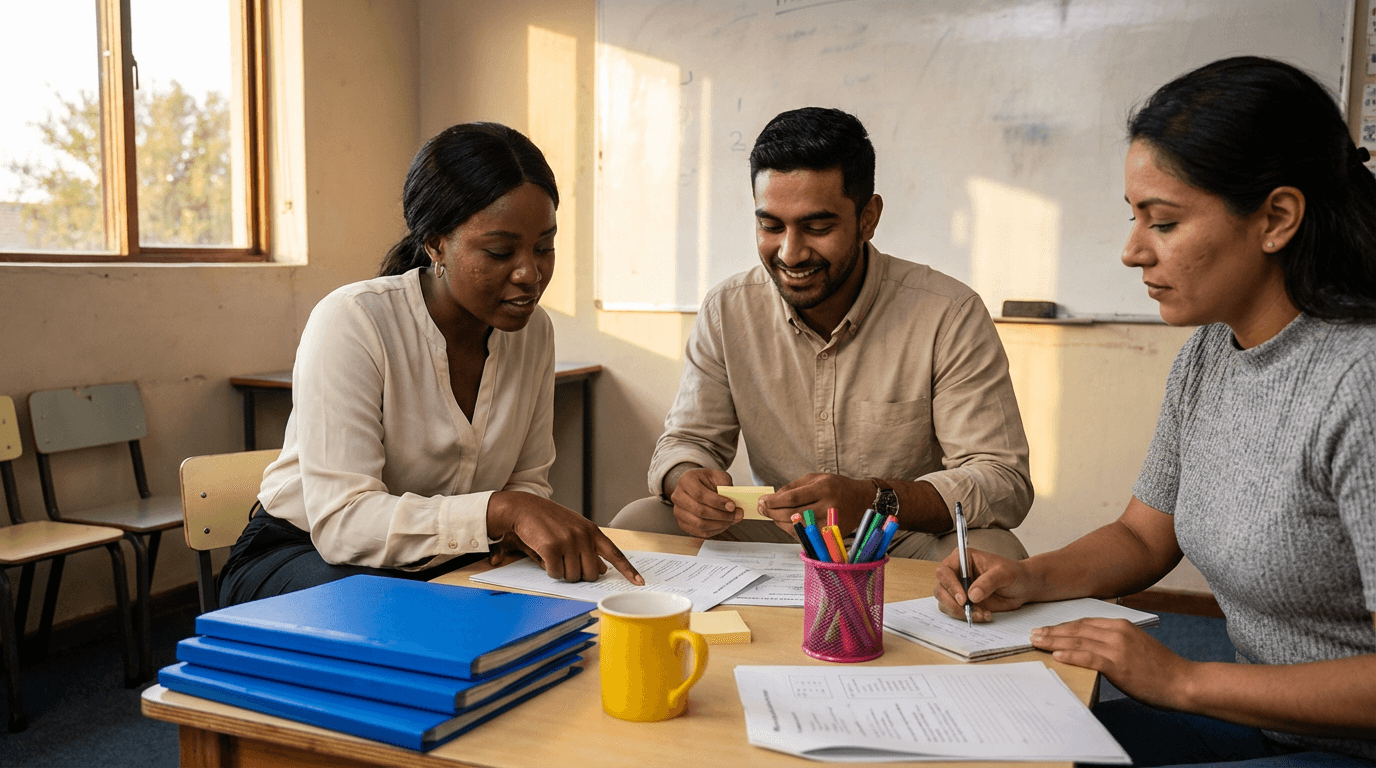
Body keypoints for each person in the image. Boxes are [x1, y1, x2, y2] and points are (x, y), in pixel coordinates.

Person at [934, 57, 1376, 766]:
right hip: (1259, 721)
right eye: (1133, 216)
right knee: (990, 744)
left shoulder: (1359, 381)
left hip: (1348, 747)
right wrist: (1029, 578)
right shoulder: (1210, 352)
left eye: (1163, 222)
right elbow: (1144, 537)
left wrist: (1186, 679)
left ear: (1277, 218)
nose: (1132, 251)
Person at [219, 123, 642, 607]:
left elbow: (525, 482)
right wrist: (500, 513)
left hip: (440, 561)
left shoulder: (534, 333)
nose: (530, 274)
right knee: (416, 619)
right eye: (501, 251)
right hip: (302, 556)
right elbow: (344, 524)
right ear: (436, 244)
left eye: (544, 246)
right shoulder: (354, 321)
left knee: (546, 617)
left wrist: (520, 526)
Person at [611, 107, 1033, 562]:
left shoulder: (947, 314)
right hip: (779, 535)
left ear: (868, 219)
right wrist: (684, 481)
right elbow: (687, 441)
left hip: (898, 539)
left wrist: (872, 499)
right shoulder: (727, 309)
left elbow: (1002, 480)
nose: (790, 253)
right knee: (640, 524)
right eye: (771, 226)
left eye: (818, 227)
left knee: (996, 553)